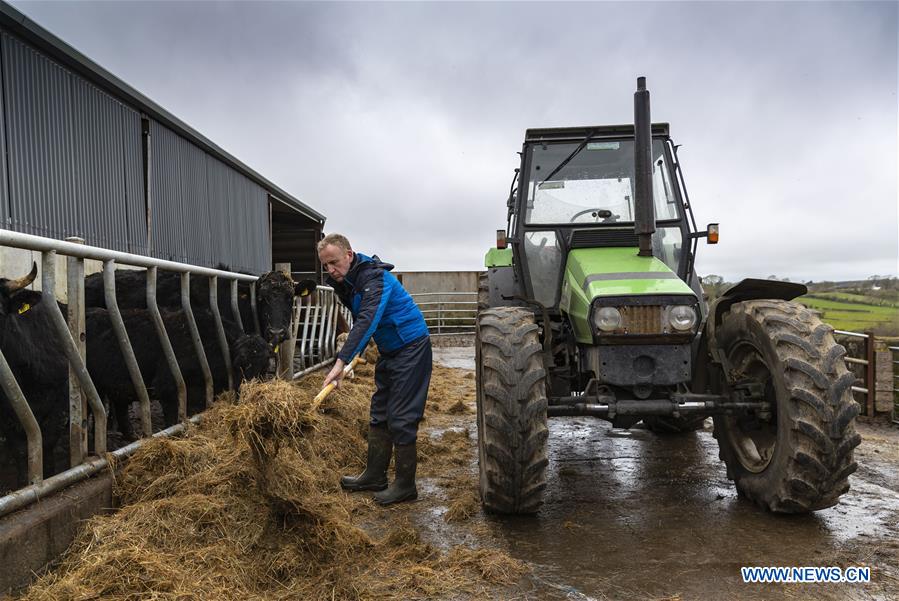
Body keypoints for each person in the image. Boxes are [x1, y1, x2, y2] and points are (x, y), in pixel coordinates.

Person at [318, 233, 431, 505]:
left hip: (411, 347)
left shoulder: (374, 278)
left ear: (349, 254)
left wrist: (341, 361)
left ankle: (405, 485)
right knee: (380, 412)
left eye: (334, 262)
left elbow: (368, 318)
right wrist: (355, 353)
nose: (330, 271)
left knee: (401, 417)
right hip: (390, 350)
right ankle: (374, 475)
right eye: (325, 266)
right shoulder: (346, 282)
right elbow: (362, 321)